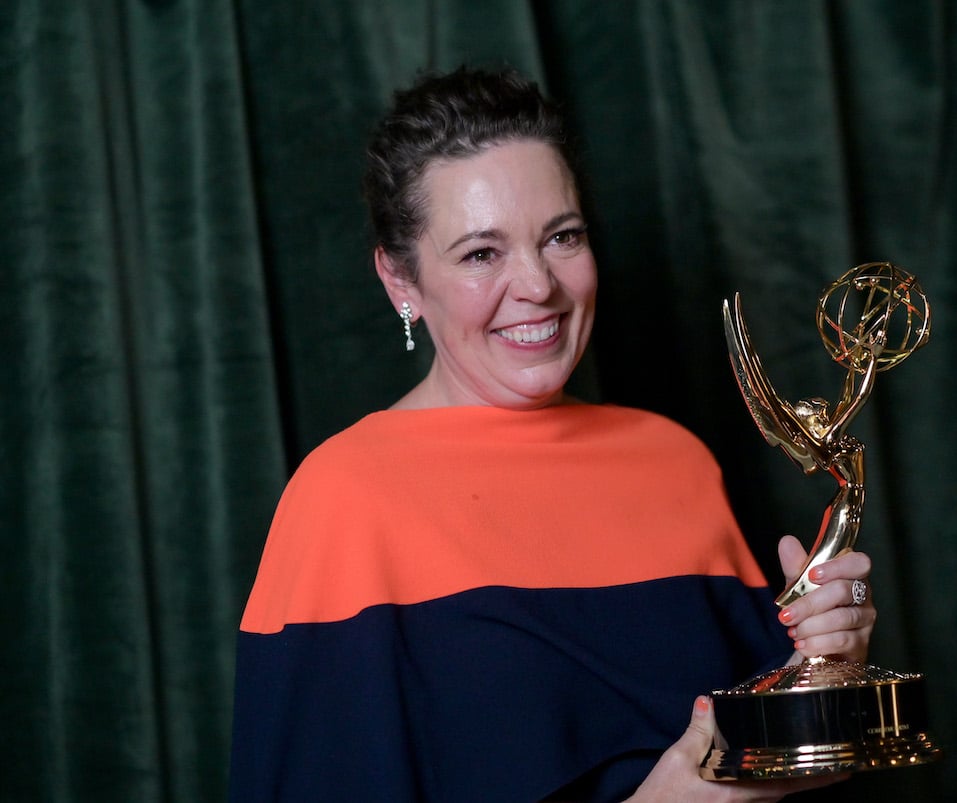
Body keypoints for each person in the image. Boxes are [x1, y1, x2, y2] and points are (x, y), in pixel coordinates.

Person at [229, 66, 876, 802]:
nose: (538, 284)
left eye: (561, 236)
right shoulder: (343, 497)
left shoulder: (674, 460)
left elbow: (779, 767)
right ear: (400, 282)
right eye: (481, 253)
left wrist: (830, 665)